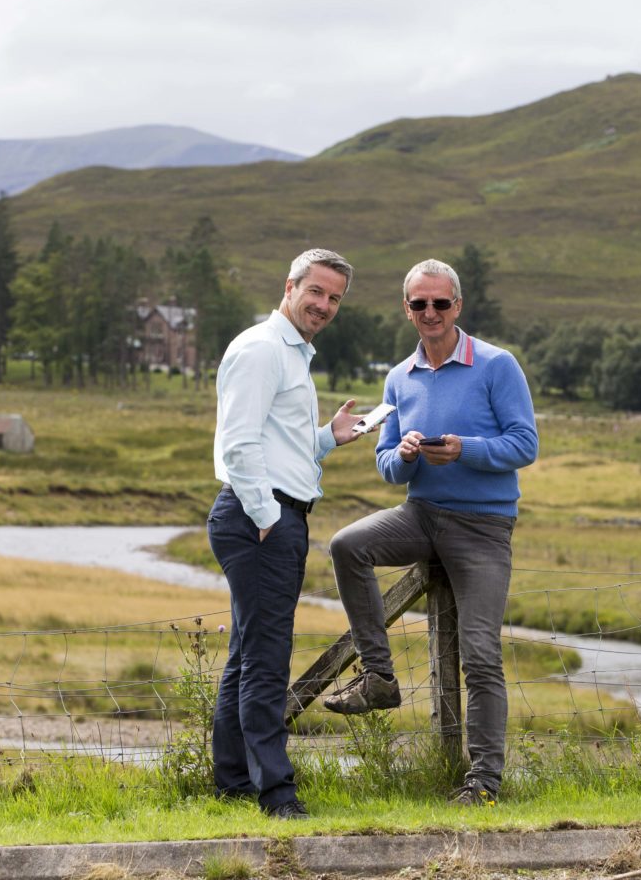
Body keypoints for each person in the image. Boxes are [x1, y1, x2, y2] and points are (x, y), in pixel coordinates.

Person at [324, 258, 538, 806]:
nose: (430, 313)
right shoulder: (399, 376)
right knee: (347, 545)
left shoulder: (496, 365)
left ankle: (484, 784)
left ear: (457, 306)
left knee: (480, 652)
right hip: (421, 513)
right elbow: (386, 464)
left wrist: (466, 448)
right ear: (407, 310)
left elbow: (524, 445)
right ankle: (379, 678)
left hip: (484, 526)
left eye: (440, 303)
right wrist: (407, 453)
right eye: (419, 304)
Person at [209, 247, 364, 820]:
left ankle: (231, 783)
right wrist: (267, 516)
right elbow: (239, 443)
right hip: (261, 520)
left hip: (273, 514)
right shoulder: (260, 350)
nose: (323, 305)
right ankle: (277, 796)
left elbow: (278, 442)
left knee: (247, 653)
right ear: (290, 286)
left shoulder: (291, 354)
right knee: (267, 660)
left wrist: (327, 437)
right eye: (316, 291)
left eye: (334, 298)